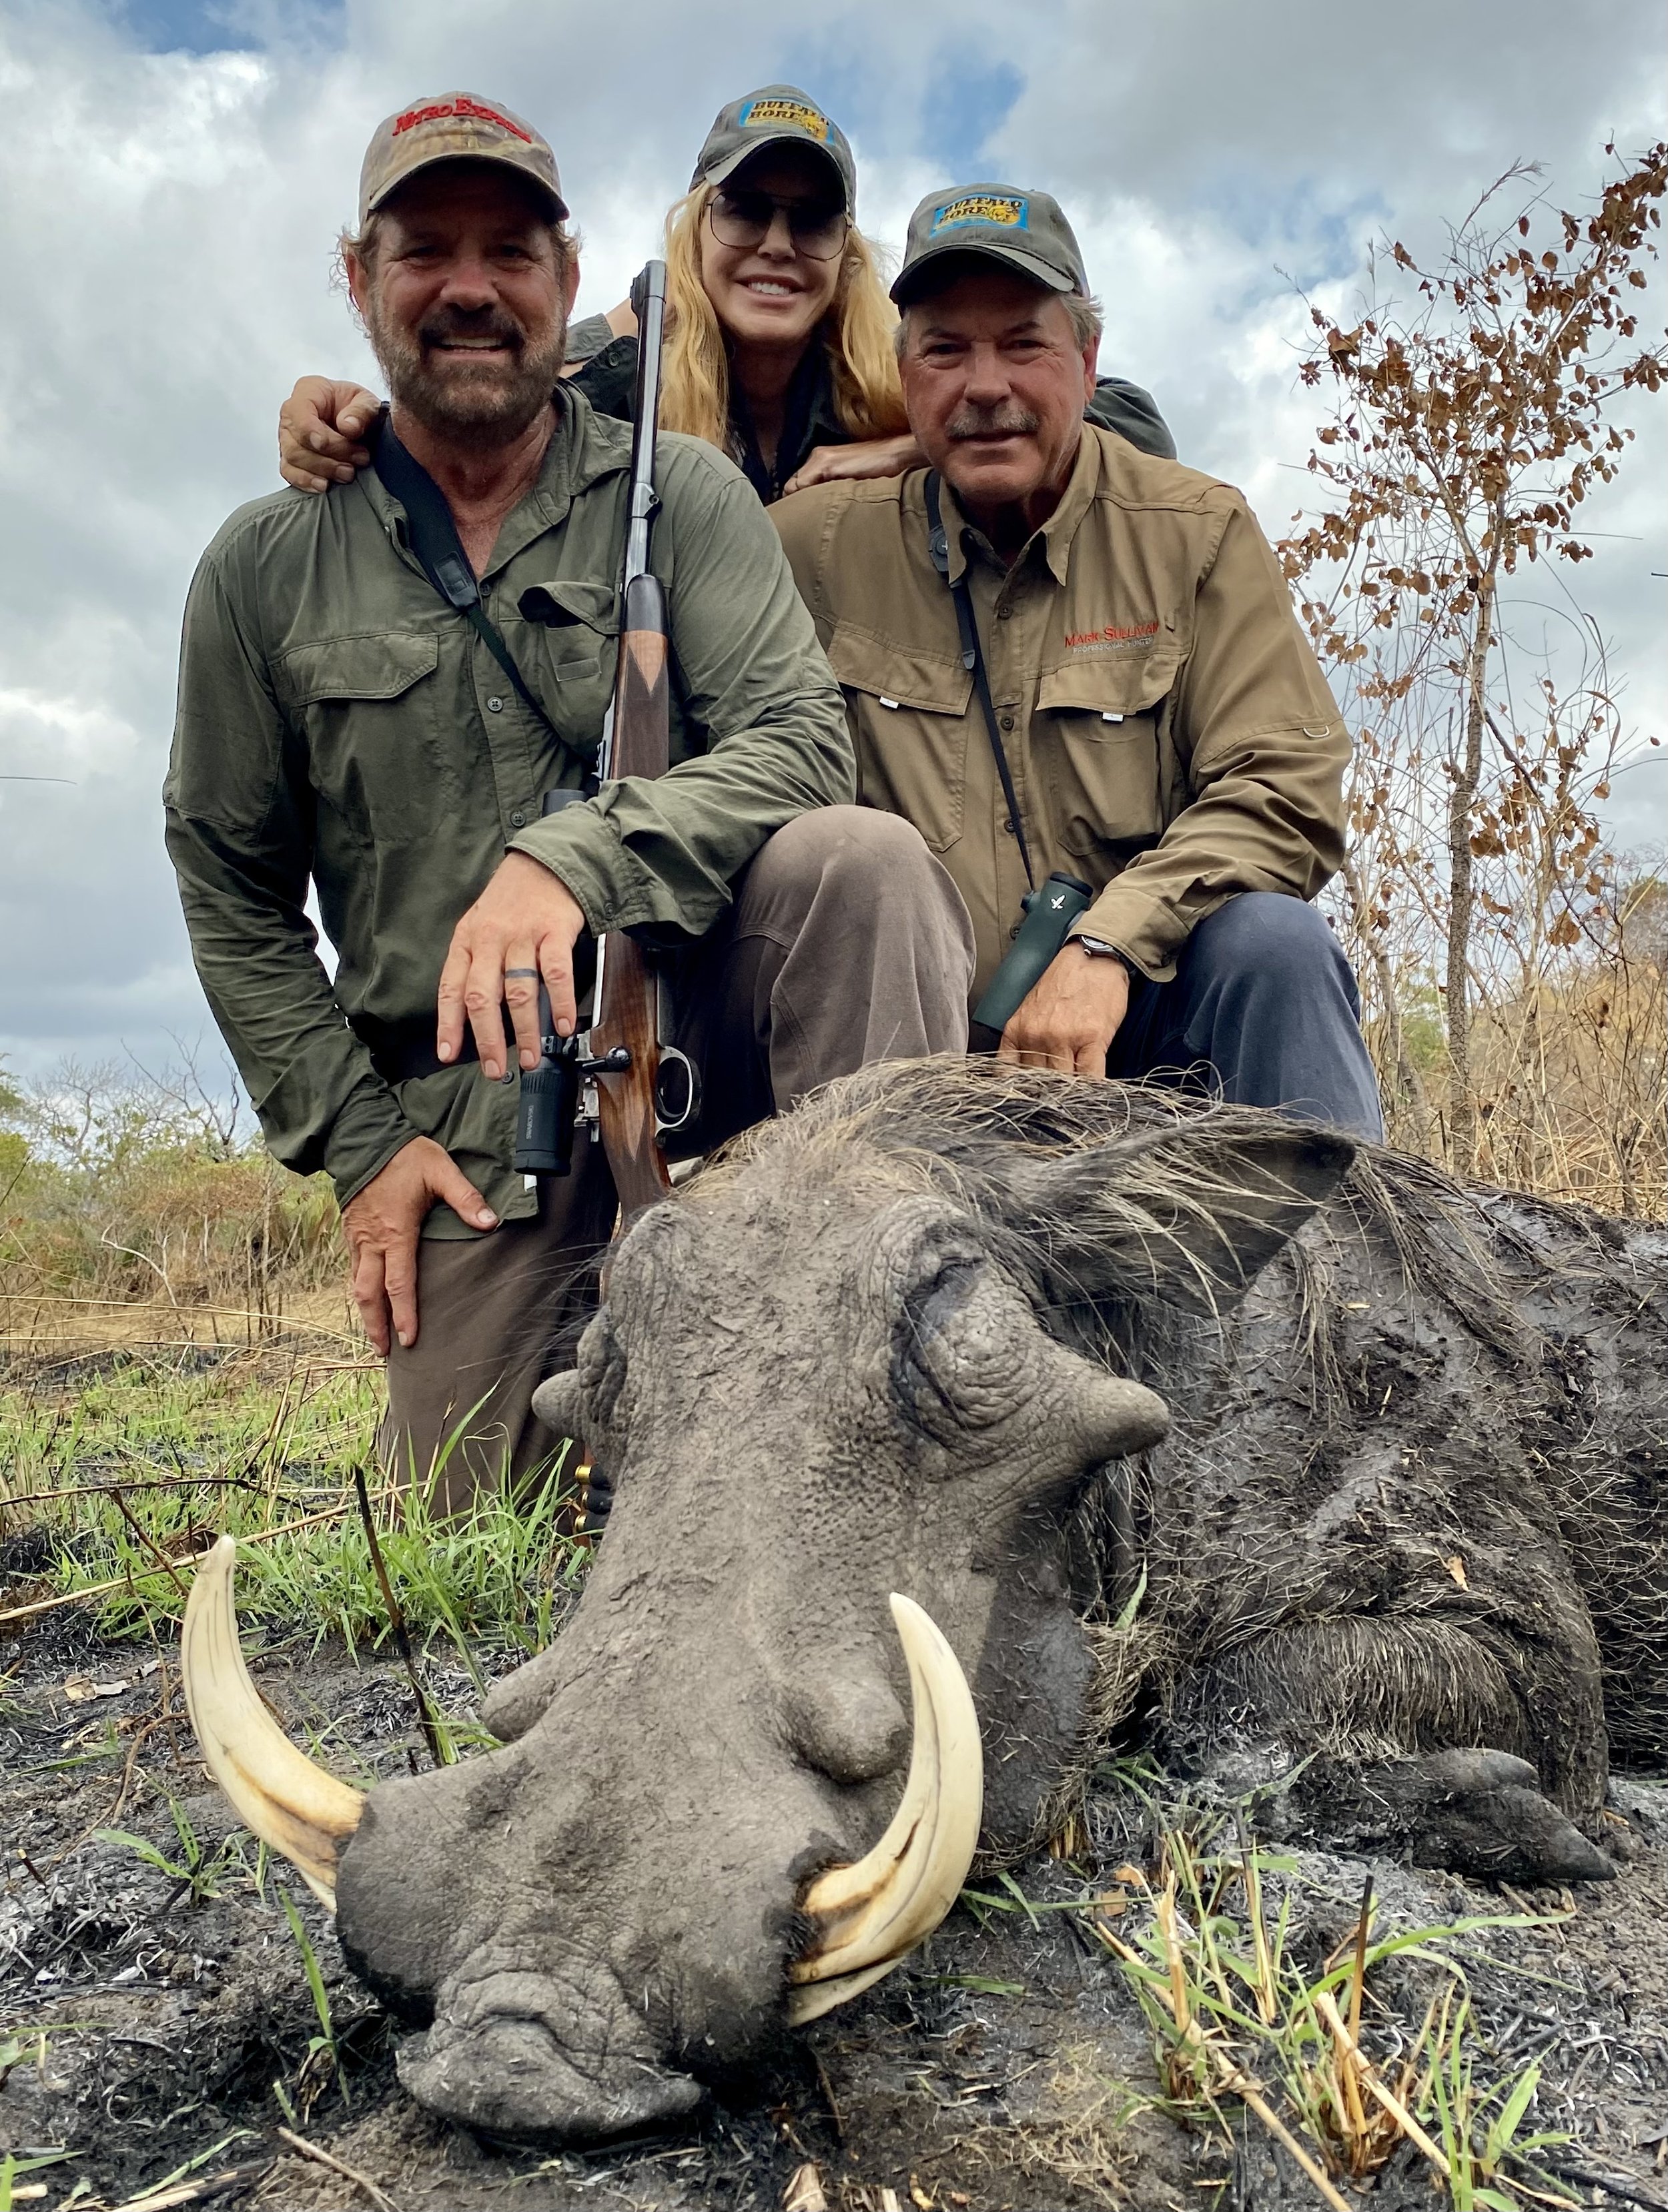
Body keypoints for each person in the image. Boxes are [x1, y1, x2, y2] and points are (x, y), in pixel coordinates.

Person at [164, 93, 973, 1509]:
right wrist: (364, 1148)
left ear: (567, 275)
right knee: (480, 1511)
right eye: (426, 250)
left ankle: (902, 1367)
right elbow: (229, 885)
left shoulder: (690, 496)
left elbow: (798, 741)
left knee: (863, 862)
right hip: (481, 1123)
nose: (470, 287)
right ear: (357, 280)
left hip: (713, 1041)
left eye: (509, 250)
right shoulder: (260, 566)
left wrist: (572, 856)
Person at [769, 183, 1384, 1139]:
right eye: (945, 349)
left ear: (1089, 362)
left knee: (1278, 944)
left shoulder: (1198, 532)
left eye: (1024, 344)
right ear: (904, 375)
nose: (985, 386)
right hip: (910, 1075)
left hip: (1140, 1044)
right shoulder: (806, 546)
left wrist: (1109, 941)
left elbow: (1288, 785)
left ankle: (1346, 1283)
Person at [276, 84, 1176, 508]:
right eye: (746, 210)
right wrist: (342, 420)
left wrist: (909, 449)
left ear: (848, 249)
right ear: (696, 224)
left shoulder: (914, 364)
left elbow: (1131, 424)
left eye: (814, 219)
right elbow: (476, 405)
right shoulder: (620, 368)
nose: (779, 246)